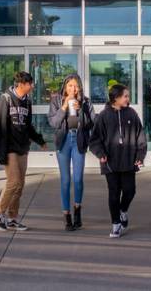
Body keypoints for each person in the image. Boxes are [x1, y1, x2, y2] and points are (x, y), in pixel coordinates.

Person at [89, 83, 146, 238]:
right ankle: (115, 224)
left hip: (129, 161)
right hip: (110, 162)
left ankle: (123, 211)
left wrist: (140, 156)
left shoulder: (132, 114)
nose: (128, 98)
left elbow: (140, 136)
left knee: (130, 190)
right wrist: (100, 154)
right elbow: (94, 140)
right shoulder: (103, 116)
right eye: (125, 96)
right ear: (116, 98)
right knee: (113, 194)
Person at [0, 71, 46, 232]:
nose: (32, 86)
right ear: (21, 85)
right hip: (9, 149)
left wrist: (39, 140)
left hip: (22, 148)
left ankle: (12, 218)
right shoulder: (5, 100)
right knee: (13, 182)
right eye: (30, 83)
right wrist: (1, 154)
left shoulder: (27, 102)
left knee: (20, 185)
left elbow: (28, 126)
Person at [47, 74, 95, 231]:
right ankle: (67, 215)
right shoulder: (56, 101)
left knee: (78, 179)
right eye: (70, 85)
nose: (73, 89)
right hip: (64, 141)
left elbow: (91, 123)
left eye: (75, 86)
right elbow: (54, 122)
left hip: (78, 140)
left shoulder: (85, 101)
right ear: (65, 87)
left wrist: (82, 112)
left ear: (79, 87)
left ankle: (77, 210)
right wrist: (64, 107)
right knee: (66, 180)